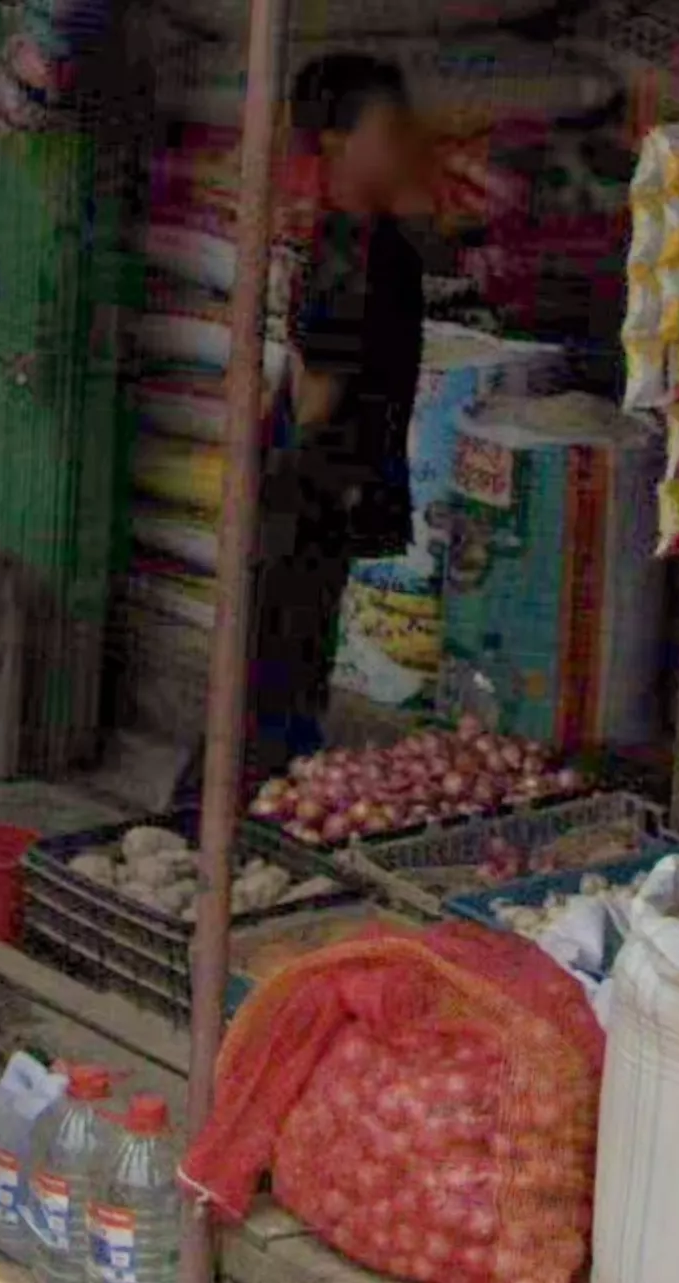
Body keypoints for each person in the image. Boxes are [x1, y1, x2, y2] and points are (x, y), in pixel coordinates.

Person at [245, 52, 429, 773]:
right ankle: (221, 817)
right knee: (281, 672)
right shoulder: (354, 252)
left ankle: (236, 806)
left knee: (284, 662)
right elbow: (316, 389)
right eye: (387, 129)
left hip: (311, 490)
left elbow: (296, 371)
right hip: (316, 491)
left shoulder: (358, 241)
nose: (402, 144)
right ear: (336, 143)